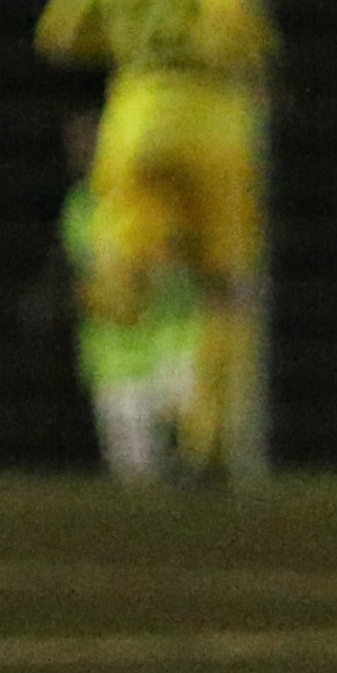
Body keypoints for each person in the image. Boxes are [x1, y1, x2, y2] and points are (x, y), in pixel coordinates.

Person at [35, 0, 273, 485]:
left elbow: (59, 31)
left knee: (125, 261)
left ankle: (132, 363)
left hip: (136, 117)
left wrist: (133, 48)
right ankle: (205, 441)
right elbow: (233, 23)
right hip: (211, 119)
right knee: (225, 289)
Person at [52, 109, 201, 485]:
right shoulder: (79, 207)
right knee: (136, 486)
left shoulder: (154, 194)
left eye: (93, 141)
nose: (83, 151)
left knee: (198, 475)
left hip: (175, 350)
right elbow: (82, 282)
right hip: (115, 364)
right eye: (77, 144)